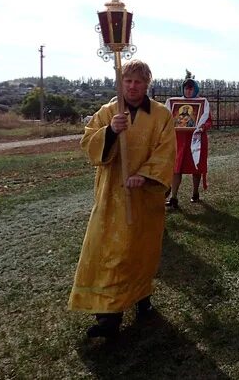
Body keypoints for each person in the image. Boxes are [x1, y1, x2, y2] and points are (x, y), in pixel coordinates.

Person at [69, 59, 175, 339]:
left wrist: (146, 175)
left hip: (144, 198)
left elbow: (167, 151)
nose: (132, 86)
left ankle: (142, 297)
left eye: (138, 81)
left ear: (146, 84)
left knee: (140, 251)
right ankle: (108, 317)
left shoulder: (161, 115)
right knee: (109, 253)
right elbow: (89, 144)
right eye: (127, 81)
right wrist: (111, 132)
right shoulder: (107, 112)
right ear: (121, 82)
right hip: (111, 196)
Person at [164, 78, 211, 209]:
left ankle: (195, 193)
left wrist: (202, 127)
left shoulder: (202, 103)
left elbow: (208, 121)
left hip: (196, 141)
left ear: (195, 89)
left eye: (191, 88)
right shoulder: (176, 103)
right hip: (179, 141)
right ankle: (173, 197)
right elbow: (170, 118)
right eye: (186, 88)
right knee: (176, 168)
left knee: (196, 167)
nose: (188, 91)